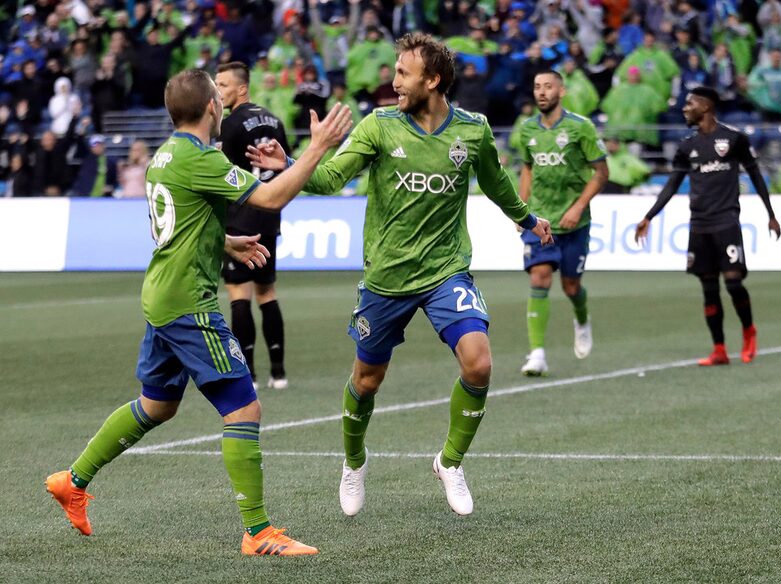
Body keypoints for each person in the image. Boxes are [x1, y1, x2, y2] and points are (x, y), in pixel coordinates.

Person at [45, 68, 352, 555]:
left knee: (157, 406)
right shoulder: (200, 158)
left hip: (161, 294)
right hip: (189, 302)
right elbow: (270, 196)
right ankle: (258, 532)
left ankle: (73, 480)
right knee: (243, 407)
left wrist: (225, 242)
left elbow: (170, 225)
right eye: (218, 96)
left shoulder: (164, 156)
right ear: (213, 106)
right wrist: (317, 148)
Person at [248, 32, 552, 517]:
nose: (393, 81)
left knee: (479, 363)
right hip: (387, 277)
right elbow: (330, 179)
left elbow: (496, 183)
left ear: (433, 80)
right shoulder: (379, 127)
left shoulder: (472, 131)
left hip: (446, 270)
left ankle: (450, 463)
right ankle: (353, 461)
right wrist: (292, 162)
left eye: (404, 73)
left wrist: (526, 217)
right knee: (367, 381)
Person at [634, 86, 781, 366]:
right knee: (709, 289)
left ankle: (749, 331)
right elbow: (672, 184)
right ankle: (719, 349)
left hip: (726, 222)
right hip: (699, 225)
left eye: (690, 103)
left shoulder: (734, 139)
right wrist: (649, 216)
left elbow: (756, 175)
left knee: (734, 283)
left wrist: (770, 214)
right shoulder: (686, 146)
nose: (684, 108)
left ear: (706, 106)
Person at [517, 70, 608, 376]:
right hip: (541, 220)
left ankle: (582, 318)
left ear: (561, 91)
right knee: (539, 277)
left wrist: (579, 206)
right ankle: (537, 354)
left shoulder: (580, 127)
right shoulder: (526, 129)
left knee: (571, 286)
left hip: (575, 223)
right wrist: (522, 210)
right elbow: (527, 169)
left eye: (548, 87)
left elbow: (601, 172)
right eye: (537, 87)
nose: (541, 92)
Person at [215, 62, 293, 390]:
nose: (217, 91)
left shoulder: (230, 124)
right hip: (270, 213)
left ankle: (249, 372)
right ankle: (279, 372)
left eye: (222, 85)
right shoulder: (274, 120)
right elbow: (285, 164)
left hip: (240, 215)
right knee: (267, 292)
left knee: (239, 294)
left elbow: (222, 172)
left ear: (241, 89)